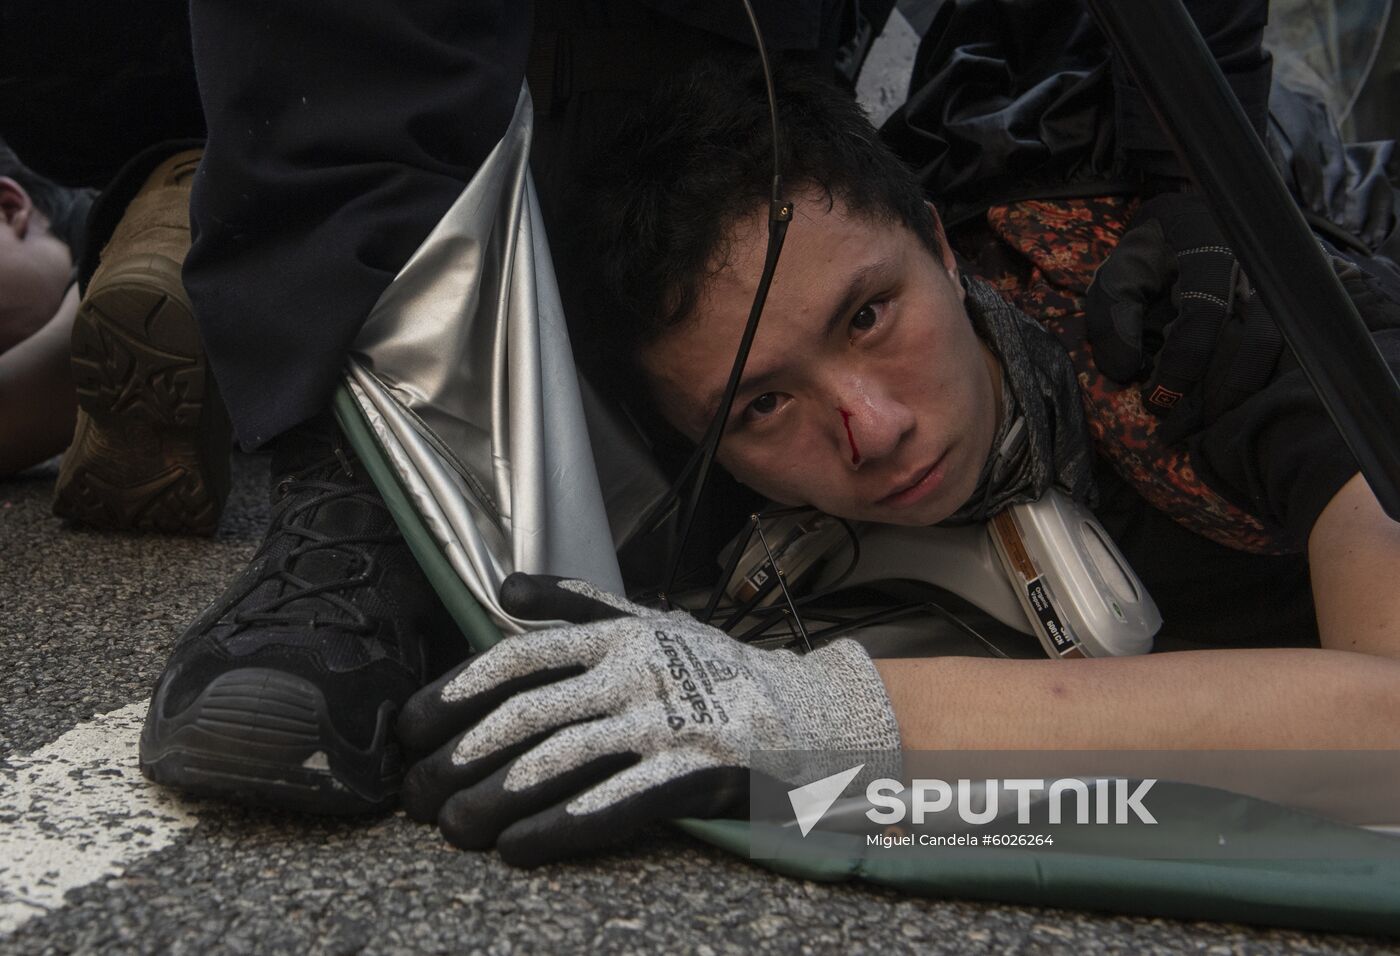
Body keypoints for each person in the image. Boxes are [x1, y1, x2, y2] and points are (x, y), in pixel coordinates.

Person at [391, 60, 1400, 867]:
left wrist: (819, 713)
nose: (870, 427)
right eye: (762, 404)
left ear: (937, 245)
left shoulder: (1212, 334)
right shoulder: (714, 528)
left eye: (868, 315)